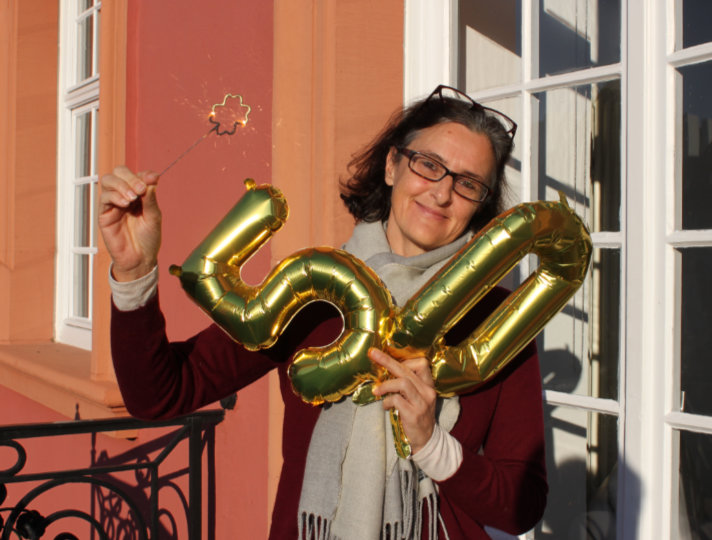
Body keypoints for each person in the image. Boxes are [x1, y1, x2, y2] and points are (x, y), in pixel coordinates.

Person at [100, 85, 547, 539]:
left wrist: (433, 445)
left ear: (482, 205)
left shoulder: (500, 321)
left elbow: (521, 506)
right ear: (392, 166)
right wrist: (133, 271)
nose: (442, 192)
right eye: (428, 165)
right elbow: (160, 394)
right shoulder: (313, 291)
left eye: (468, 183)